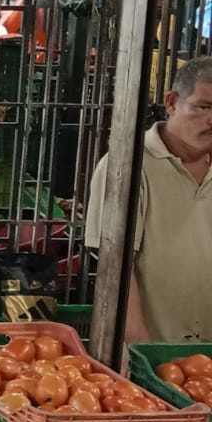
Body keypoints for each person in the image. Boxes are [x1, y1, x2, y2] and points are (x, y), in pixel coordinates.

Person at [85, 56, 212, 342]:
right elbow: (115, 268)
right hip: (156, 353)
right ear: (171, 102)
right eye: (203, 107)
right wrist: (143, 350)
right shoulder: (128, 166)